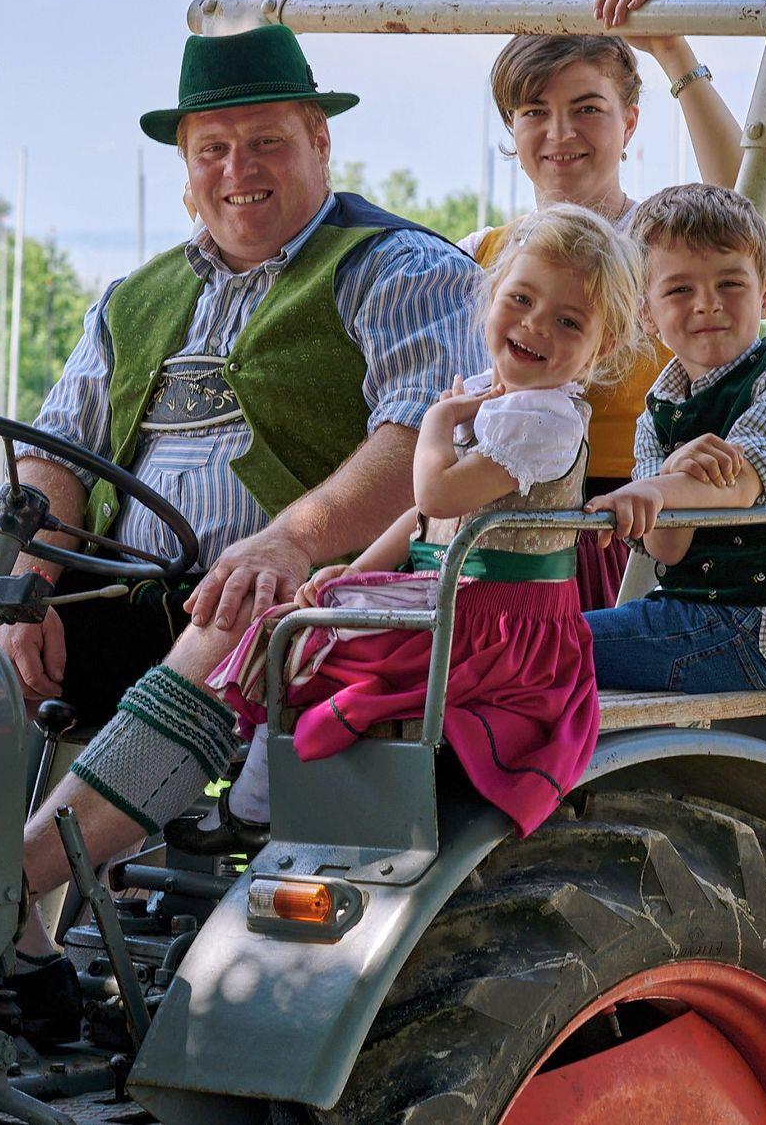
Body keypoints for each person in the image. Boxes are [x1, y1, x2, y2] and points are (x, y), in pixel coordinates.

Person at [0, 24, 482, 968]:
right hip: (127, 591)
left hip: (313, 606)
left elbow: (415, 444)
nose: (237, 169)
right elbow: (57, 454)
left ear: (320, 141)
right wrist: (24, 589)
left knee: (234, 605)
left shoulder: (404, 270)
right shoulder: (132, 298)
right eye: (212, 148)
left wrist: (290, 539)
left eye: (266, 142)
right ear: (186, 168)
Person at [181, 204, 644, 851]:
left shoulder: (543, 420)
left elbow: (435, 491)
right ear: (491, 297)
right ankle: (251, 789)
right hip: (459, 602)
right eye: (520, 299)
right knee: (296, 623)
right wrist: (356, 569)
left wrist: (434, 422)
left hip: (502, 626)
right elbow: (427, 516)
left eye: (569, 322)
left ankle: (256, 808)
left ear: (604, 346)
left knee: (321, 651)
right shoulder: (493, 397)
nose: (536, 325)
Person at [459, 0, 766, 609]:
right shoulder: (481, 254)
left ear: (629, 121)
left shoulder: (658, 244)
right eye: (534, 112)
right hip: (493, 534)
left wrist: (672, 49)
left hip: (617, 533)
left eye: (587, 109)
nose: (560, 132)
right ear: (512, 128)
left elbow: (754, 216)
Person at [584, 184, 766, 693]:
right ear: (646, 313)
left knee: (545, 649)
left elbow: (739, 484)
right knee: (537, 644)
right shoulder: (658, 410)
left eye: (730, 284)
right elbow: (667, 547)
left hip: (761, 627)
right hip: (688, 612)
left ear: (765, 294)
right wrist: (668, 474)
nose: (707, 304)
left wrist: (654, 489)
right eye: (680, 290)